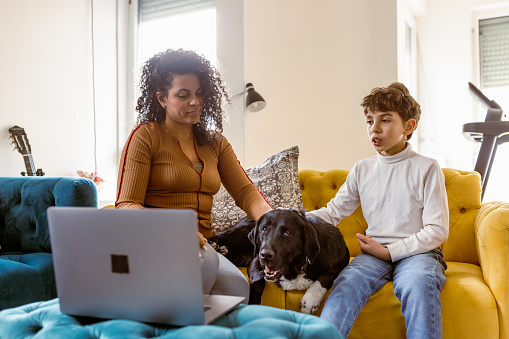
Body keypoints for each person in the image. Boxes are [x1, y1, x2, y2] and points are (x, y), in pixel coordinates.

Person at [115, 48, 272, 302]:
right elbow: (126, 204)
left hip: (204, 247)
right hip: (158, 242)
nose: (195, 101)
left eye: (199, 93)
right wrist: (175, 230)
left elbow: (246, 192)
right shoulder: (145, 137)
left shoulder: (215, 143)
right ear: (162, 99)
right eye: (183, 95)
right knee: (201, 263)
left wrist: (272, 219)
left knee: (237, 289)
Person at [308, 82, 449, 338]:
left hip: (420, 254)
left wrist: (389, 252)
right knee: (345, 285)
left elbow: (437, 230)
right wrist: (294, 217)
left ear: (408, 126)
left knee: (418, 284)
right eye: (369, 120)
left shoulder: (427, 167)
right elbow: (333, 212)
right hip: (373, 254)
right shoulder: (362, 169)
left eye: (385, 120)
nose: (374, 128)